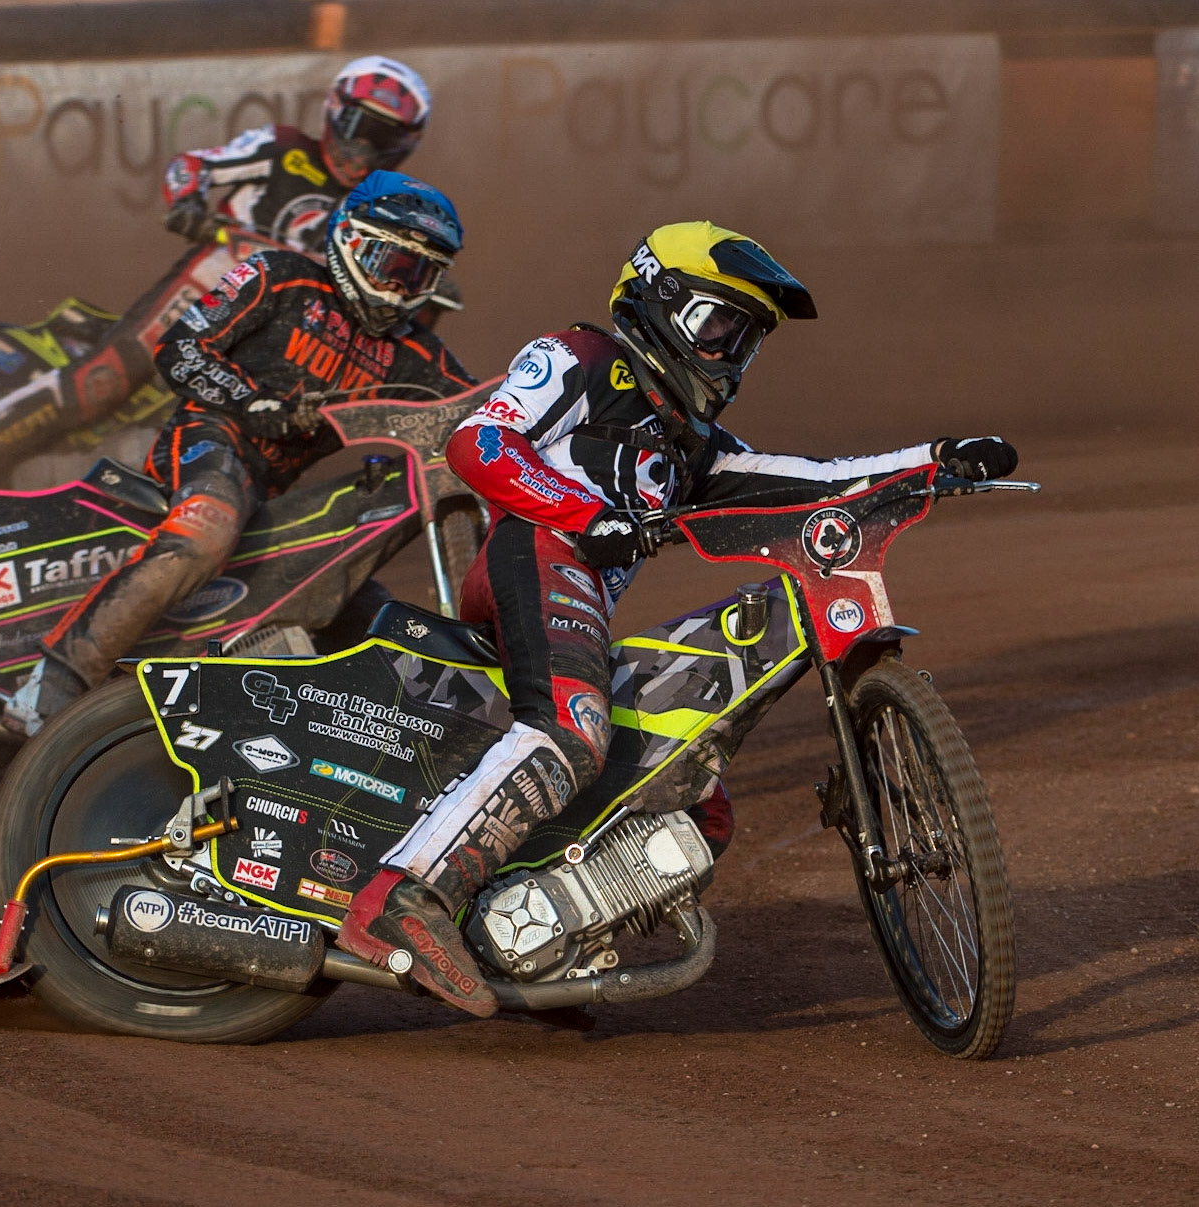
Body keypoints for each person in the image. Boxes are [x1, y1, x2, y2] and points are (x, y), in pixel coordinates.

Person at [335, 221, 1020, 1017]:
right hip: (533, 553)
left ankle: (537, 939)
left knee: (692, 792)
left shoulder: (694, 444)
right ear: (658, 303)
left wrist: (937, 460)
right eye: (719, 325)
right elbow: (479, 442)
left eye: (746, 339)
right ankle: (403, 895)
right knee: (574, 726)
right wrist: (584, 513)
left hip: (575, 590)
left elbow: (816, 480)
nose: (731, 353)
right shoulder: (582, 356)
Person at [24, 171, 475, 724]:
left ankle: (447, 730)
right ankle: (55, 681)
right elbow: (181, 347)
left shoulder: (416, 354)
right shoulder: (279, 276)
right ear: (352, 242)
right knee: (206, 531)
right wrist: (255, 401)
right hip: (209, 439)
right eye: (396, 266)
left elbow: (477, 409)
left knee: (352, 592)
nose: (403, 288)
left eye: (421, 274)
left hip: (274, 489)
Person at [0, 57, 434, 486]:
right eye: (361, 129)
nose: (364, 149)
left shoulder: (381, 207)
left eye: (384, 140)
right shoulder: (283, 148)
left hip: (278, 332)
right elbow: (192, 164)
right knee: (103, 381)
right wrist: (187, 202)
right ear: (335, 112)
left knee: (231, 434)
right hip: (210, 283)